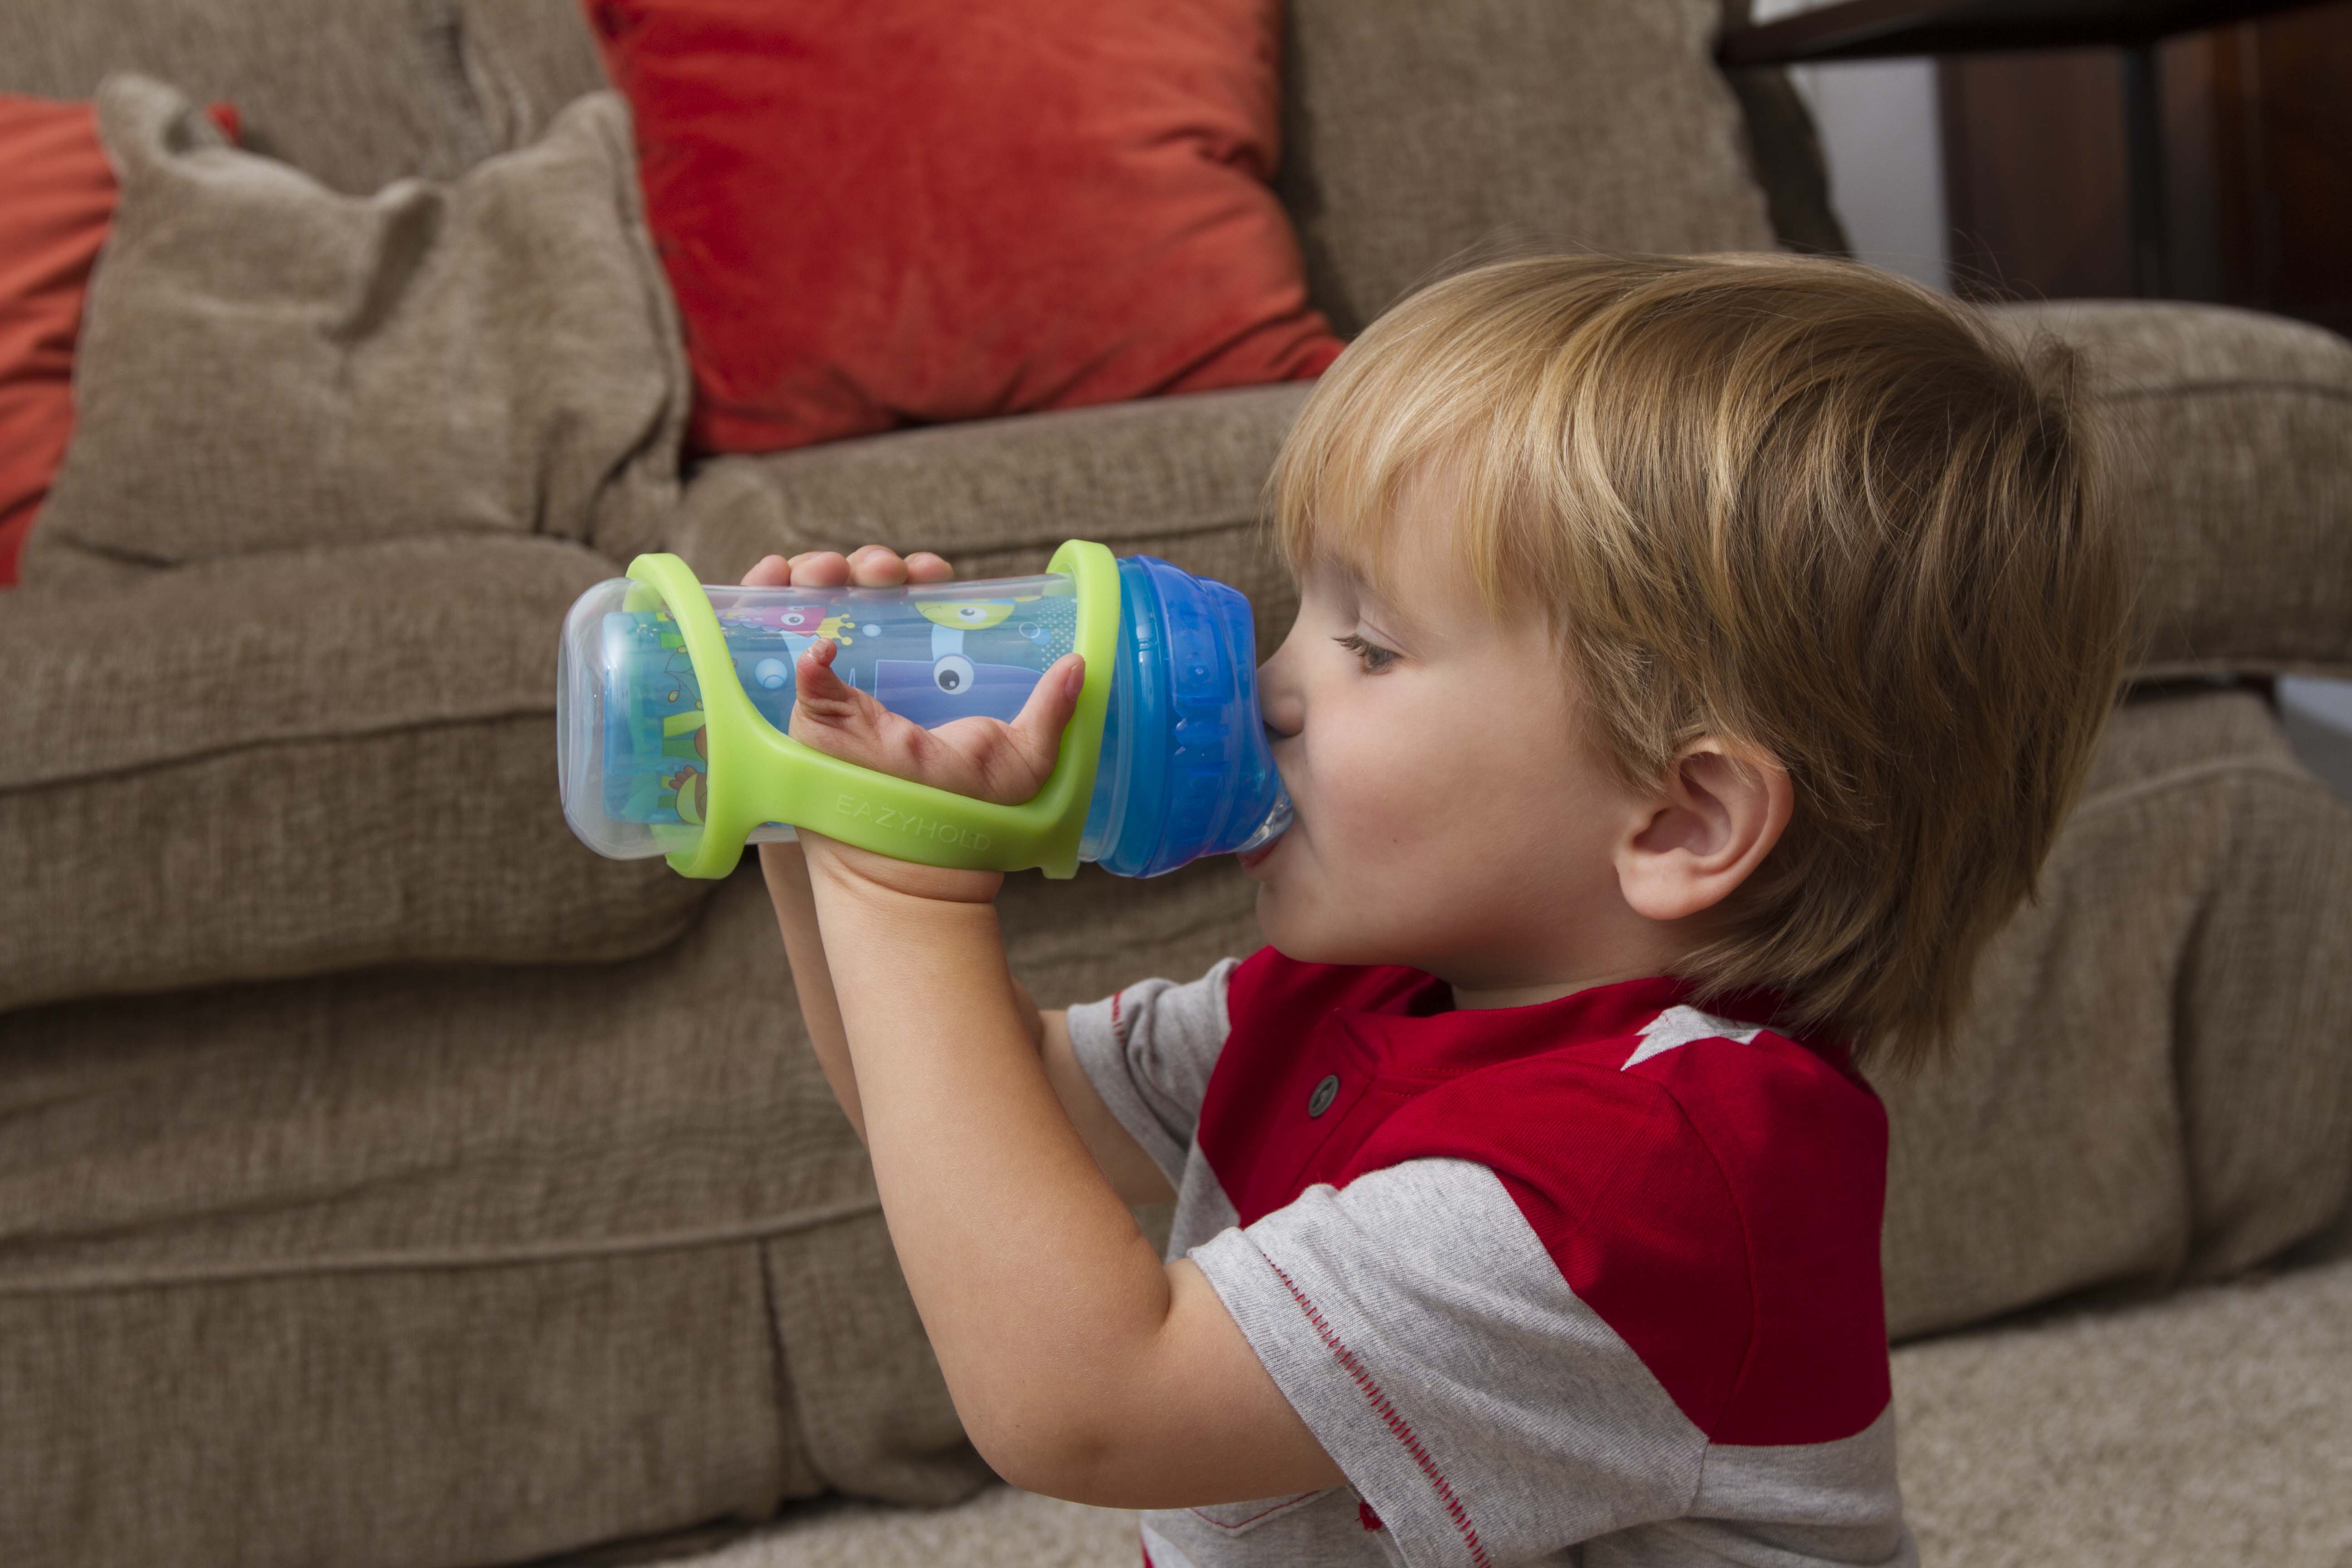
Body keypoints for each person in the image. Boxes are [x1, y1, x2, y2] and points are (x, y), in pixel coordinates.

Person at [748, 251, 2134, 1567]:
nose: (1276, 683)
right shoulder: (1369, 992)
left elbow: (1087, 1403)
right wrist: (813, 813)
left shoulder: (1637, 1181)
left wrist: (904, 890)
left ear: (1679, 818)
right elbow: (960, 1108)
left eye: (1369, 644)